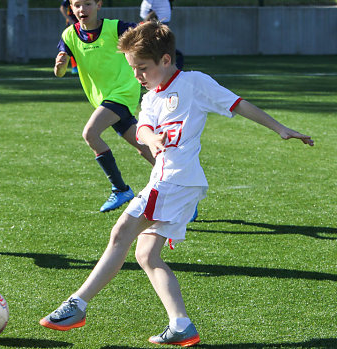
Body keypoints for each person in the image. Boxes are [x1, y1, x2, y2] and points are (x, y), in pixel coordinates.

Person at [40, 21, 314, 346]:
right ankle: (181, 324)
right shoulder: (150, 98)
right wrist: (151, 138)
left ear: (166, 61)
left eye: (142, 68)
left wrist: (279, 127)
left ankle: (78, 304)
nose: (137, 76)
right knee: (146, 254)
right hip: (175, 182)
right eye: (133, 69)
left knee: (121, 233)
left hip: (175, 179)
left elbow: (237, 103)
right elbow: (141, 128)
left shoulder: (194, 83)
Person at [54, 0, 155, 213]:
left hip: (122, 93)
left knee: (90, 133)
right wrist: (60, 66)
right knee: (144, 146)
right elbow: (59, 73)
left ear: (99, 5)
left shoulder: (116, 28)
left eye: (88, 4)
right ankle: (181, 191)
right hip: (103, 99)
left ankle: (120, 189)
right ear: (71, 8)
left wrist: (150, 28)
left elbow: (142, 32)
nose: (83, 10)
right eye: (77, 5)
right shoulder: (69, 36)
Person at [59, 0, 79, 74]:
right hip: (73, 24)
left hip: (82, 23)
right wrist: (69, 19)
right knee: (72, 45)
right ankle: (75, 67)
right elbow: (62, 7)